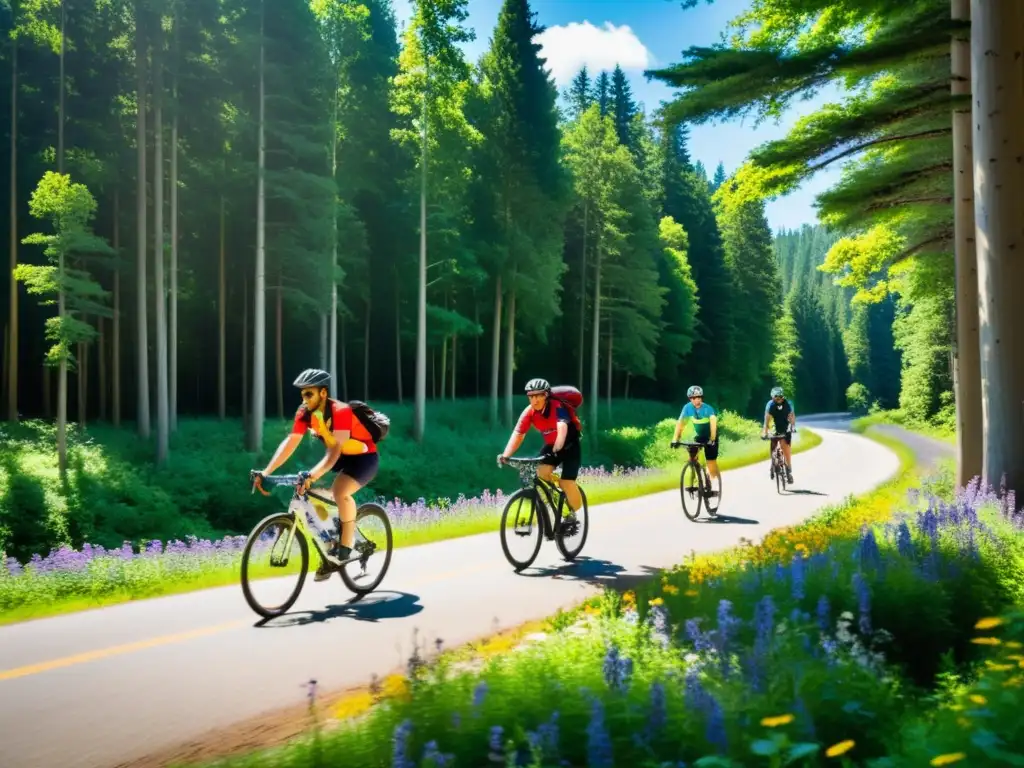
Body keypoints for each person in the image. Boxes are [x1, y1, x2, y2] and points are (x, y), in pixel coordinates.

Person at [254, 368, 379, 581]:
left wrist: (312, 474)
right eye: (302, 394)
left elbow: (334, 451)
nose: (304, 399)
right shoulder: (305, 413)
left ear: (323, 393)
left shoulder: (340, 411)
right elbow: (291, 442)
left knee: (340, 492)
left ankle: (346, 546)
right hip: (338, 457)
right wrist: (266, 472)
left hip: (362, 458)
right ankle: (330, 545)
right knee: (310, 494)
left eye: (309, 394)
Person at [497, 378, 583, 530]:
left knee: (566, 483)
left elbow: (562, 428)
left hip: (569, 445)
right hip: (551, 446)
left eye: (538, 396)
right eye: (531, 396)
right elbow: (518, 434)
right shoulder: (529, 412)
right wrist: (505, 455)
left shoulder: (557, 406)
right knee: (540, 473)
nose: (534, 400)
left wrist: (558, 447)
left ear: (546, 396)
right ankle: (553, 499)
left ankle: (571, 515)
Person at [671, 384, 720, 481]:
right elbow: (681, 424)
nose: (697, 400)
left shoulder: (708, 408)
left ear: (702, 398)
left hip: (711, 436)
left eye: (699, 398)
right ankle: (694, 476)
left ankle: (709, 480)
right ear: (690, 399)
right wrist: (675, 439)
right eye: (693, 398)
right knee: (692, 456)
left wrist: (712, 439)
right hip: (700, 436)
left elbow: (713, 424)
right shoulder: (687, 408)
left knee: (710, 462)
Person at [762, 385, 795, 484]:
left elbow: (792, 417)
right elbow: (767, 420)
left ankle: (788, 470)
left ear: (783, 396)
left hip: (785, 427)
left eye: (780, 397)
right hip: (775, 427)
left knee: (785, 447)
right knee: (772, 446)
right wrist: (765, 432)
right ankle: (773, 464)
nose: (779, 399)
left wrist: (793, 427)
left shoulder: (788, 404)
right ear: (772, 397)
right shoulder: (770, 405)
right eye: (776, 397)